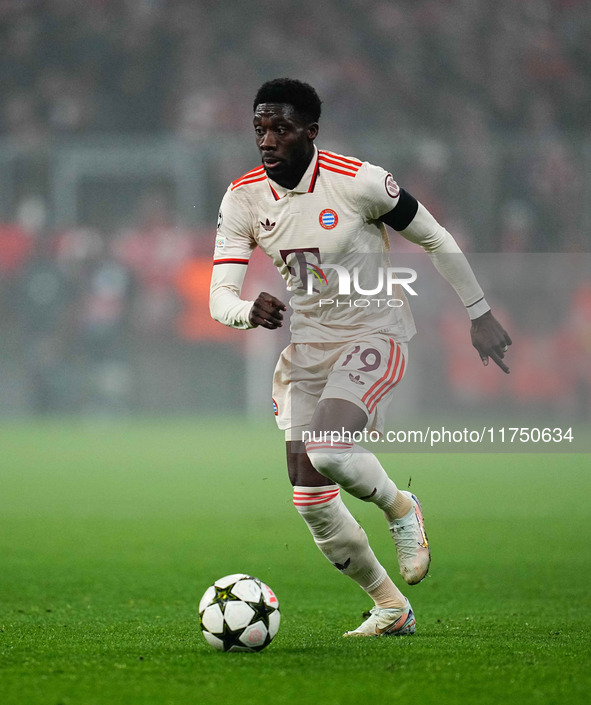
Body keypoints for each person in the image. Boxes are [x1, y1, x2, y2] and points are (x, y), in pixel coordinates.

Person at [209, 78, 512, 637]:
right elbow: (219, 296)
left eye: (280, 128)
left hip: (374, 331)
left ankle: (400, 507)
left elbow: (436, 239)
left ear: (310, 132)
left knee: (327, 449)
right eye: (260, 129)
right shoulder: (243, 198)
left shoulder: (361, 182)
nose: (268, 140)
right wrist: (247, 311)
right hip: (309, 346)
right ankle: (391, 607)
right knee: (309, 497)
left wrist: (479, 311)